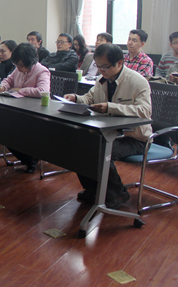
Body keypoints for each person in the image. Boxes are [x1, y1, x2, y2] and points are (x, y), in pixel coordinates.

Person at [64, 43, 152, 209]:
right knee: (79, 147)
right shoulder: (101, 79)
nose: (100, 70)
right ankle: (94, 189)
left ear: (119, 63)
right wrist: (75, 98)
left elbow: (145, 111)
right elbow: (89, 98)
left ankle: (118, 193)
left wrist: (111, 108)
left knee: (100, 150)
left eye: (104, 66)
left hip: (134, 138)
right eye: (98, 66)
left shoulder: (137, 81)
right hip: (109, 133)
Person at [0, 42, 50, 173]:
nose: (18, 68)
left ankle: (31, 160)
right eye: (16, 65)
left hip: (34, 112)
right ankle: (28, 159)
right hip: (18, 109)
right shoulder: (18, 69)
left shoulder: (42, 71)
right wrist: (3, 86)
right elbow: (9, 80)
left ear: (30, 63)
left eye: (20, 65)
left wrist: (21, 90)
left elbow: (43, 91)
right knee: (3, 131)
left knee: (18, 132)